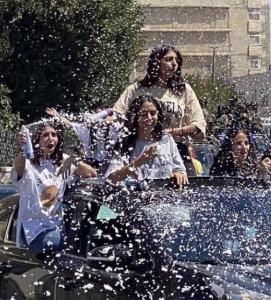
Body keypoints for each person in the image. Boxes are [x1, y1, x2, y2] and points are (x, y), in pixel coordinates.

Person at [12, 121, 97, 255]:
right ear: (36, 141)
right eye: (45, 135)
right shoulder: (29, 163)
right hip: (34, 231)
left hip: (55, 229)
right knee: (75, 245)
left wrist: (71, 160)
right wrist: (23, 150)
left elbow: (91, 173)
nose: (50, 138)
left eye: (54, 135)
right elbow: (19, 168)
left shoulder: (61, 163)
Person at [112, 44, 206, 142]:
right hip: (142, 147)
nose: (174, 64)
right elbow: (116, 116)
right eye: (168, 59)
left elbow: (198, 125)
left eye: (176, 60)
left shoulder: (183, 90)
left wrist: (171, 132)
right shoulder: (136, 89)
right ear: (156, 63)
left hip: (176, 148)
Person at [106, 95, 188, 187]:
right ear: (135, 116)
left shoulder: (166, 139)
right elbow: (111, 179)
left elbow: (181, 170)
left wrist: (179, 174)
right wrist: (140, 160)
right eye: (143, 114)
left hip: (163, 196)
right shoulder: (125, 142)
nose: (149, 118)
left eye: (153, 113)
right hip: (135, 197)